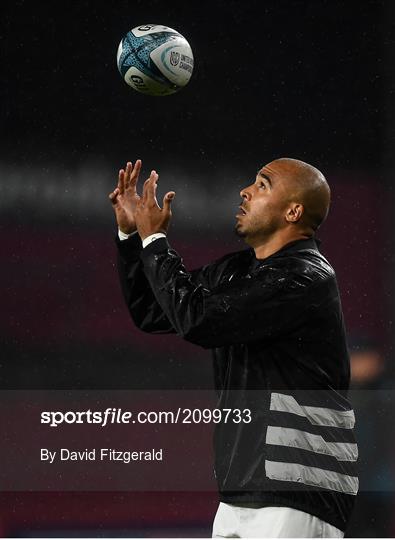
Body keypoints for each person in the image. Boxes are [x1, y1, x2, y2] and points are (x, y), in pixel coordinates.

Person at [109, 157, 358, 538]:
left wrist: (156, 241)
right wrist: (131, 239)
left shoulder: (306, 276)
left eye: (262, 185)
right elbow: (153, 311)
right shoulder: (239, 271)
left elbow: (198, 320)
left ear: (294, 211)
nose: (245, 190)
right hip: (241, 494)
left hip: (298, 492)